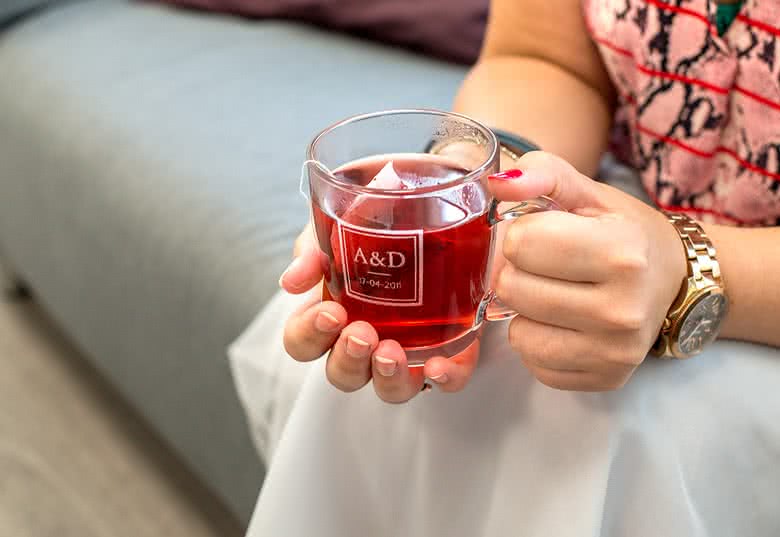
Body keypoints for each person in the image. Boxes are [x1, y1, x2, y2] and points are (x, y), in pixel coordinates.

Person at [242, 0, 780, 534]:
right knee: (388, 356)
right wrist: (473, 180)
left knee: (610, 423)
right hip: (644, 217)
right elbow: (545, 57)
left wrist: (691, 267)